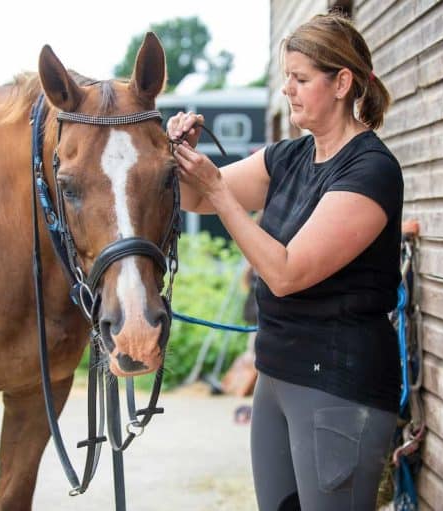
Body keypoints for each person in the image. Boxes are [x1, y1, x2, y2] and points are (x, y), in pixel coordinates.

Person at [167, 12, 403, 511]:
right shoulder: (289, 157)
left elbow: (286, 272)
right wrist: (182, 159)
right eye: (286, 78)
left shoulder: (371, 170)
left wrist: (216, 189)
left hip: (337, 382)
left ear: (342, 82)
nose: (288, 91)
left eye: (300, 79)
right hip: (276, 374)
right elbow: (197, 200)